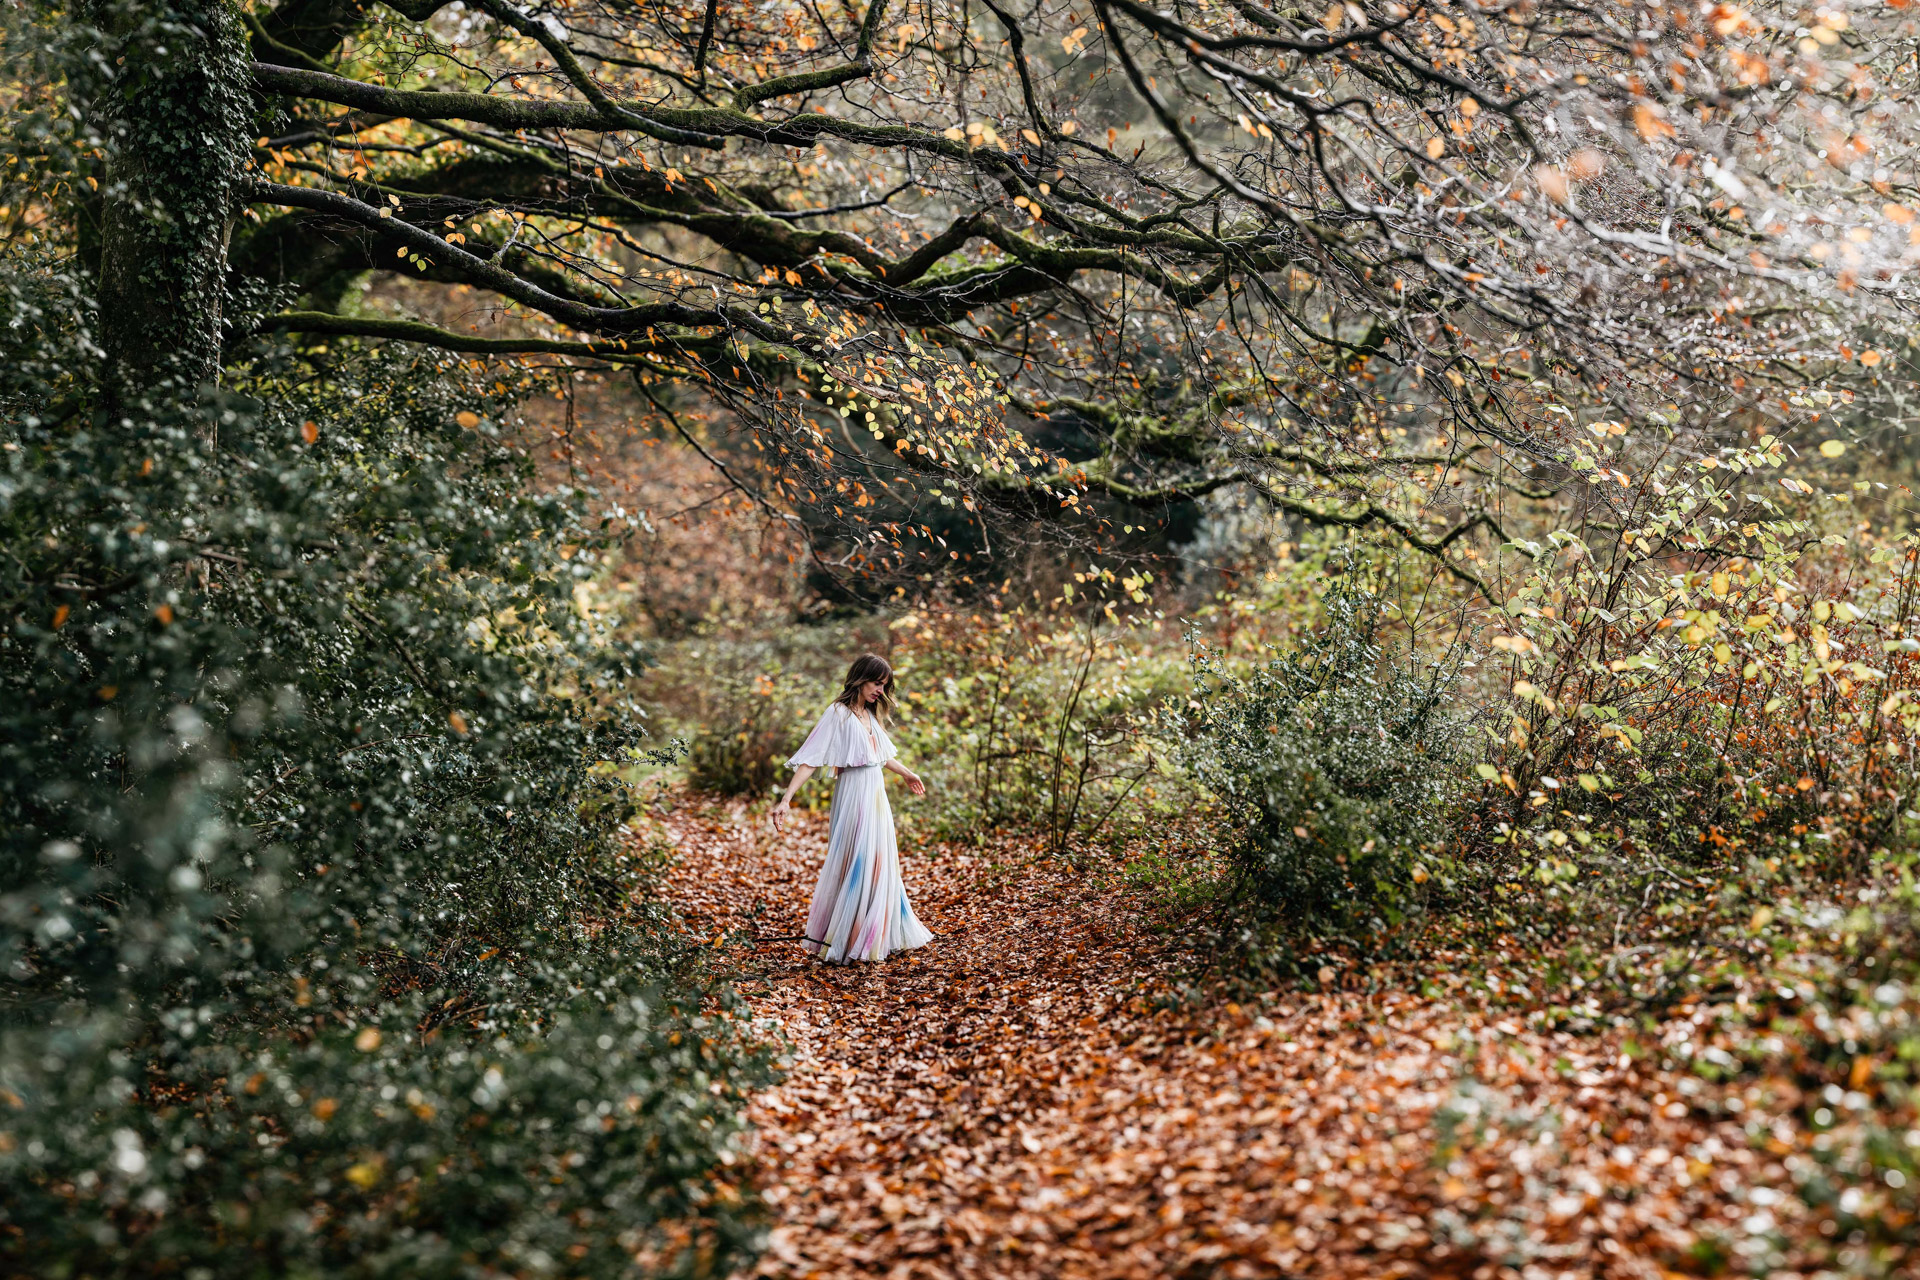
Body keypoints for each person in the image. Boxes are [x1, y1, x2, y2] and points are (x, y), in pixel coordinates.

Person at [770, 654, 933, 963]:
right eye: (876, 683)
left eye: (885, 686)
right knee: (856, 860)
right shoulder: (838, 713)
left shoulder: (869, 715)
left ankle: (874, 934)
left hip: (876, 796)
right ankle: (846, 937)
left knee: (879, 861)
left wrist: (908, 773)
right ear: (860, 679)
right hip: (854, 795)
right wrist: (786, 798)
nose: (880, 691)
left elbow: (881, 756)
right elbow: (812, 758)